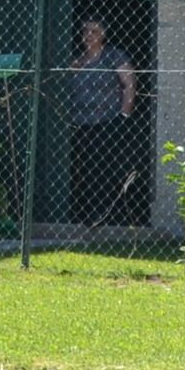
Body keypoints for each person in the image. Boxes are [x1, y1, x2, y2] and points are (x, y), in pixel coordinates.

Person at [60, 16, 142, 227]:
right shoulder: (77, 60)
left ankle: (106, 214)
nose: (88, 36)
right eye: (85, 31)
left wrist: (124, 114)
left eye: (94, 31)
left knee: (103, 169)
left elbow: (129, 83)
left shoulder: (113, 57)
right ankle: (82, 213)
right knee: (82, 168)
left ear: (104, 34)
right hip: (79, 122)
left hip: (106, 121)